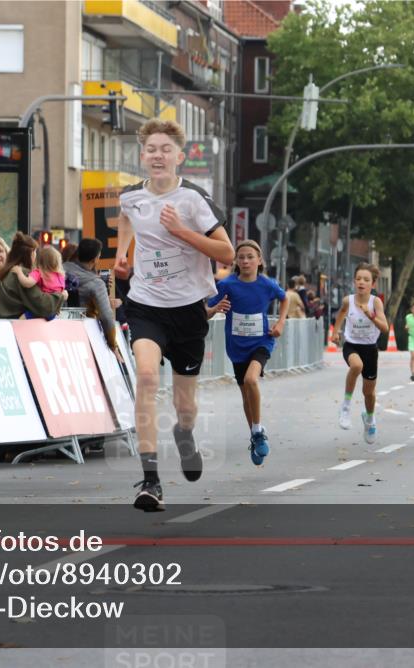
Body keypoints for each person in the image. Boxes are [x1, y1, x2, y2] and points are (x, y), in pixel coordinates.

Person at [114, 118, 235, 512]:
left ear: (180, 157)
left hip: (188, 310)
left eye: (166, 149)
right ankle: (150, 482)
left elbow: (227, 254)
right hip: (146, 304)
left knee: (185, 404)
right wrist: (122, 254)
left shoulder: (194, 201)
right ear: (143, 156)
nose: (158, 155)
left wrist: (182, 231)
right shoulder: (131, 198)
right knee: (146, 377)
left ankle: (185, 433)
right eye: (151, 149)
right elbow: (128, 219)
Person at [205, 240, 286, 466]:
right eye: (241, 257)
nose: (246, 261)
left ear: (259, 260)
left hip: (262, 341)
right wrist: (213, 309)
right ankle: (255, 434)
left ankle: (258, 431)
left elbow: (284, 298)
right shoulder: (228, 285)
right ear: (236, 262)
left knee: (251, 380)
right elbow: (206, 311)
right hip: (237, 347)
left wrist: (280, 323)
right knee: (245, 395)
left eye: (250, 256)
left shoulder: (267, 284)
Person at [331, 263, 388, 445]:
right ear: (354, 281)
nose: (361, 282)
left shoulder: (375, 302)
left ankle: (370, 419)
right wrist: (335, 331)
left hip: (370, 348)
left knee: (368, 393)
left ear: (373, 284)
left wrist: (370, 315)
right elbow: (340, 314)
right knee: (356, 366)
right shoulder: (349, 301)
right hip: (352, 345)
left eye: (366, 279)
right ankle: (345, 407)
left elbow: (385, 327)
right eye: (358, 279)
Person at [62, 237, 120, 345]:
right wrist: (113, 346)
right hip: (84, 337)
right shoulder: (96, 284)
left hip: (57, 332)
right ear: (95, 259)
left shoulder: (60, 269)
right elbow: (107, 318)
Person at [0, 232, 67, 319]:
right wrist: (61, 295)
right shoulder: (22, 275)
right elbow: (44, 305)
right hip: (20, 327)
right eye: (36, 252)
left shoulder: (6, 271)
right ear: (31, 253)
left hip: (9, 325)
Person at [12, 245, 65, 319]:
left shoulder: (39, 272)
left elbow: (27, 283)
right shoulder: (60, 275)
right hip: (53, 312)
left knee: (22, 318)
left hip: (41, 309)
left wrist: (19, 272)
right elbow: (61, 293)